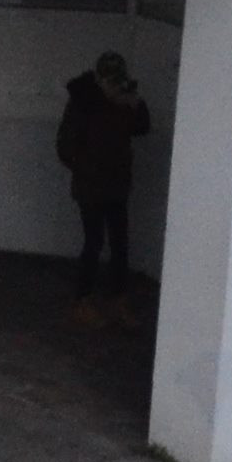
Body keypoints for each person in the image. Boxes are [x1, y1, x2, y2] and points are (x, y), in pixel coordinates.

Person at [59, 53, 150, 306]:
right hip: (91, 188)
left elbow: (142, 128)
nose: (113, 86)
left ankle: (118, 298)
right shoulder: (82, 102)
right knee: (94, 242)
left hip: (117, 186)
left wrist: (136, 104)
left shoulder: (122, 101)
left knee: (120, 244)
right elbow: (65, 147)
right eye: (109, 80)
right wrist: (90, 169)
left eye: (117, 80)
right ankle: (84, 298)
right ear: (99, 79)